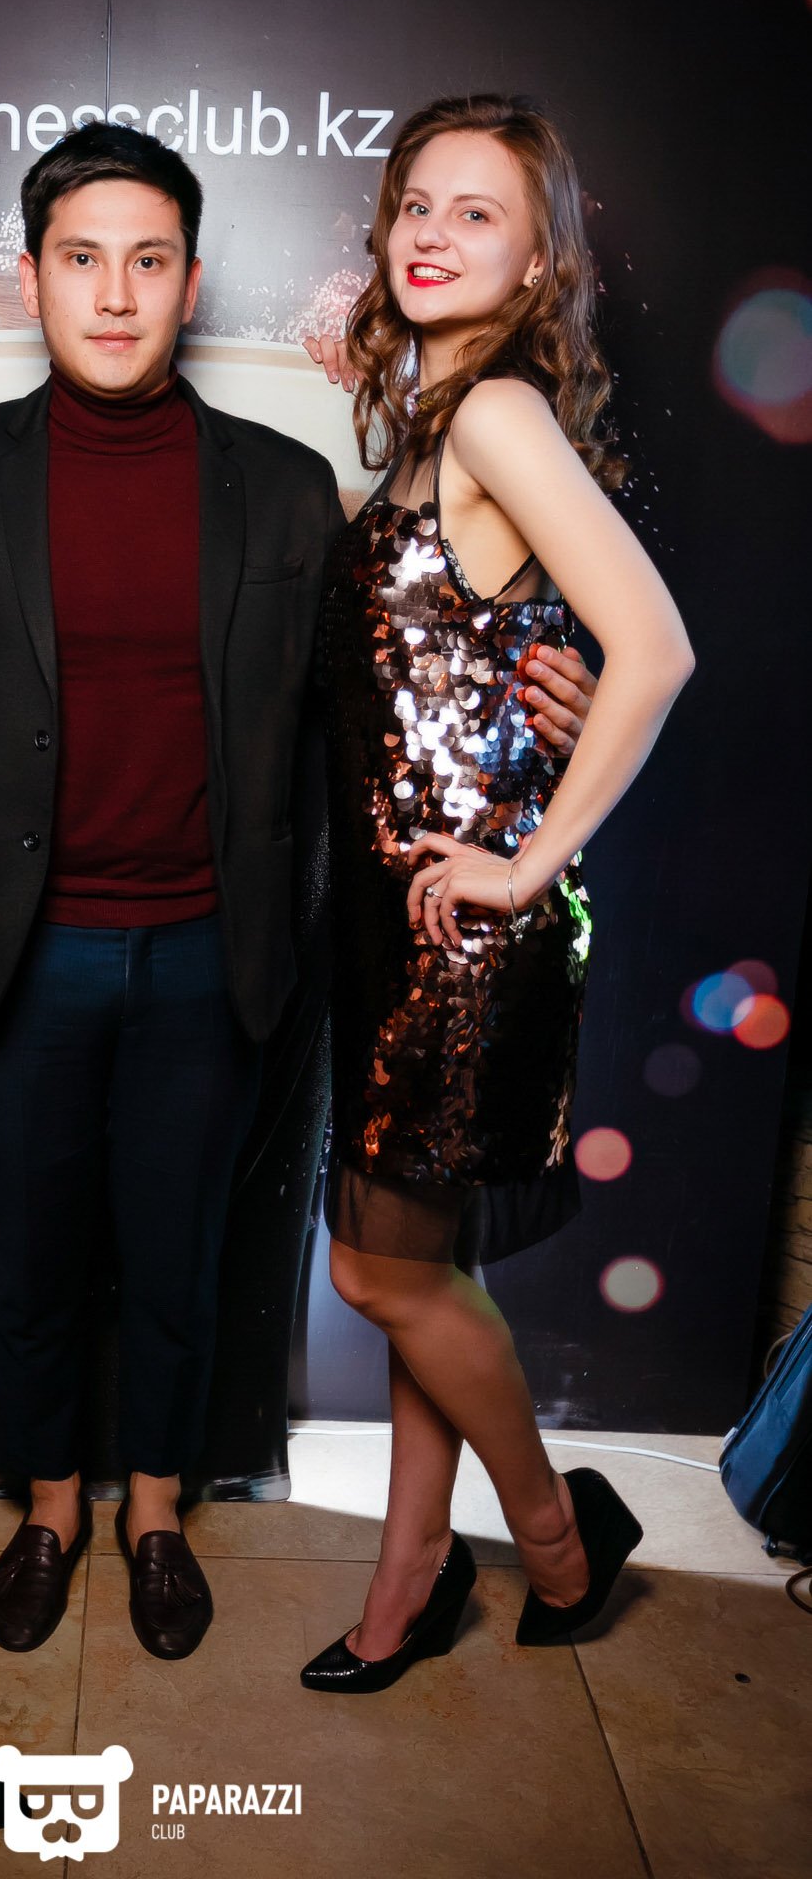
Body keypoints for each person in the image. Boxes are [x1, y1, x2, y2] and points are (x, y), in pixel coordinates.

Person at [0, 123, 597, 1664]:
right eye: (82, 259)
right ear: (32, 276)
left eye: (149, 261)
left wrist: (541, 690)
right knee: (29, 1268)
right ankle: (49, 1510)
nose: (114, 294)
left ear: (188, 279)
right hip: (9, 959)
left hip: (208, 957)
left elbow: (388, 675)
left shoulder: (287, 490)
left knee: (177, 1268)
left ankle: (155, 1515)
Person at [298, 94, 694, 1695]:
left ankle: (551, 1538)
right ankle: (409, 1580)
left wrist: (527, 866)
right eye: (415, 203)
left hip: (460, 934)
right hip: (398, 926)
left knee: (380, 1270)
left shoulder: (496, 415)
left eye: (476, 213)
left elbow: (652, 650)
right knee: (425, 1269)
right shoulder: (434, 415)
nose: (429, 233)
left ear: (538, 265)